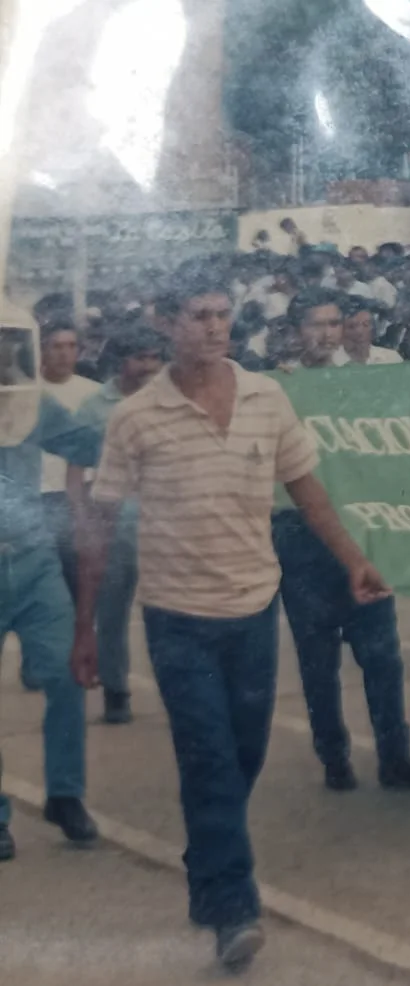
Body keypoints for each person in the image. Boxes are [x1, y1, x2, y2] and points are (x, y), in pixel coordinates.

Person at [78, 269, 393, 971]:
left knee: (241, 757)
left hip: (253, 610)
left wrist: (352, 560)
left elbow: (306, 489)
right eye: (198, 315)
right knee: (212, 761)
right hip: (176, 618)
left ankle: (209, 859)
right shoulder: (135, 418)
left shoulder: (265, 396)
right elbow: (99, 523)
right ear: (166, 321)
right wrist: (87, 629)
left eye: (222, 314)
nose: (214, 327)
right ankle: (231, 906)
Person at [272, 289, 410, 792]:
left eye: (333, 324)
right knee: (318, 657)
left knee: (382, 653)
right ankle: (334, 756)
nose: (325, 334)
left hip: (360, 525)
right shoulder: (276, 387)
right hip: (300, 533)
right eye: (315, 325)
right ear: (296, 331)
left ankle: (395, 754)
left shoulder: (365, 382)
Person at [0, 302, 102, 863]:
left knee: (68, 675)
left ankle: (66, 794)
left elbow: (90, 442)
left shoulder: (27, 403)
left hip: (34, 559)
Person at [70, 325, 167, 724]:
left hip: (166, 525)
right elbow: (76, 472)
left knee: (168, 613)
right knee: (110, 612)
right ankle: (116, 690)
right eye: (139, 357)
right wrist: (81, 521)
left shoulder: (170, 399)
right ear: (120, 361)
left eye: (154, 358)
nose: (148, 366)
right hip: (113, 525)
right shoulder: (94, 406)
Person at [38, 323, 101, 608]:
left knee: (76, 583)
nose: (65, 354)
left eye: (71, 346)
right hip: (35, 498)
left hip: (76, 499)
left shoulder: (93, 394)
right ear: (41, 350)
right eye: (57, 346)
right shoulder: (26, 391)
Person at [335, 298, 403, 365]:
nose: (359, 332)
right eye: (351, 326)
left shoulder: (392, 359)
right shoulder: (331, 362)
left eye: (366, 325)